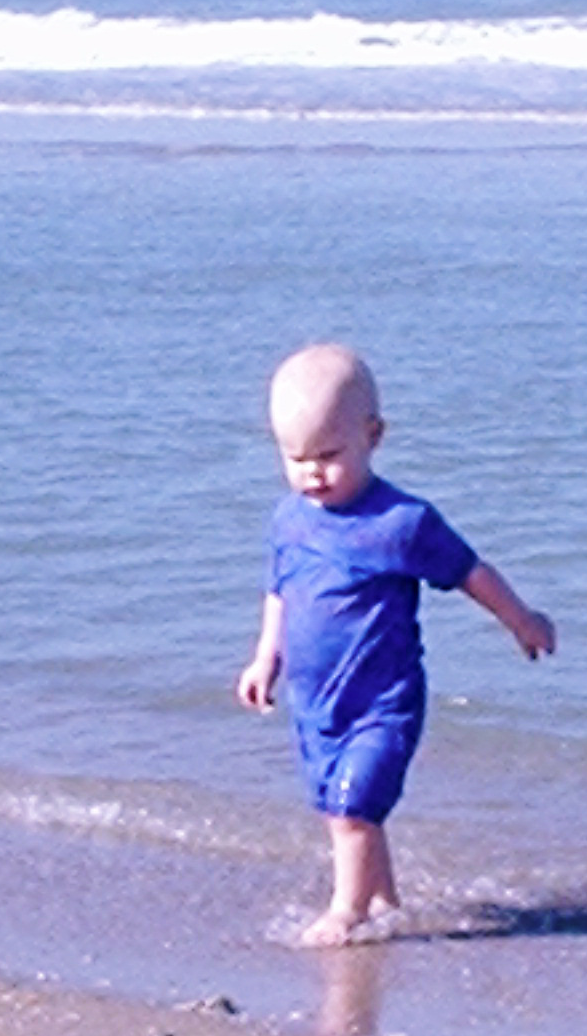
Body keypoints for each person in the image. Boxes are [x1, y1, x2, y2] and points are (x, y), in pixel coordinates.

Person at [236, 343, 556, 947]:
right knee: (339, 807)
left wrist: (521, 620)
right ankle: (383, 900)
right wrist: (264, 658)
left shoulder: (401, 523)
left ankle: (347, 911)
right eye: (295, 458)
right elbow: (281, 591)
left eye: (329, 456)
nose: (312, 473)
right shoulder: (290, 519)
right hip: (316, 701)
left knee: (353, 807)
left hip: (383, 702)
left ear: (373, 436)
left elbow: (470, 572)